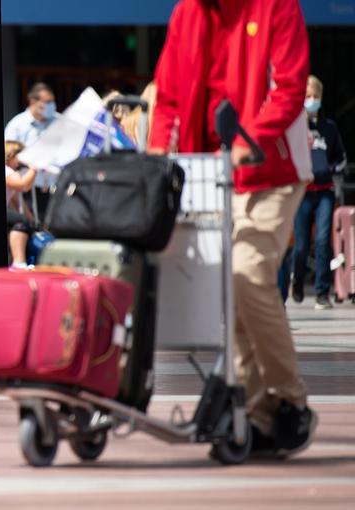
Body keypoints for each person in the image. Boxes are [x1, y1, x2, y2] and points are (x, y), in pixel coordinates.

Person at [150, 0, 316, 457]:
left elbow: (289, 87)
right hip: (207, 174)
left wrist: (249, 141)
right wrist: (159, 153)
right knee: (234, 291)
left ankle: (290, 399)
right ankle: (258, 414)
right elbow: (166, 97)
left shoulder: (276, 7)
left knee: (247, 273)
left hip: (270, 171)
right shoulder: (189, 13)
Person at [291, 75, 348, 309]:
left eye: (315, 96)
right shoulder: (294, 127)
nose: (312, 101)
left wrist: (330, 169)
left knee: (323, 241)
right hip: (303, 191)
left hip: (324, 191)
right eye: (307, 97)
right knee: (302, 244)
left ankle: (322, 292)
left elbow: (341, 158)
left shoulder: (330, 128)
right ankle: (297, 279)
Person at [4, 82, 60, 214]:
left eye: (52, 101)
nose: (51, 105)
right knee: (32, 226)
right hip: (30, 187)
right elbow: (8, 153)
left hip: (56, 186)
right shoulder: (17, 125)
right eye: (47, 102)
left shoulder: (60, 121)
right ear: (33, 102)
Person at [4, 141, 38, 268]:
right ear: (11, 154)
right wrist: (34, 168)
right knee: (21, 221)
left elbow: (17, 201)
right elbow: (23, 185)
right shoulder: (6, 170)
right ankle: (19, 263)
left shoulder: (10, 172)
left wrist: (33, 222)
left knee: (21, 222)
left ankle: (17, 262)